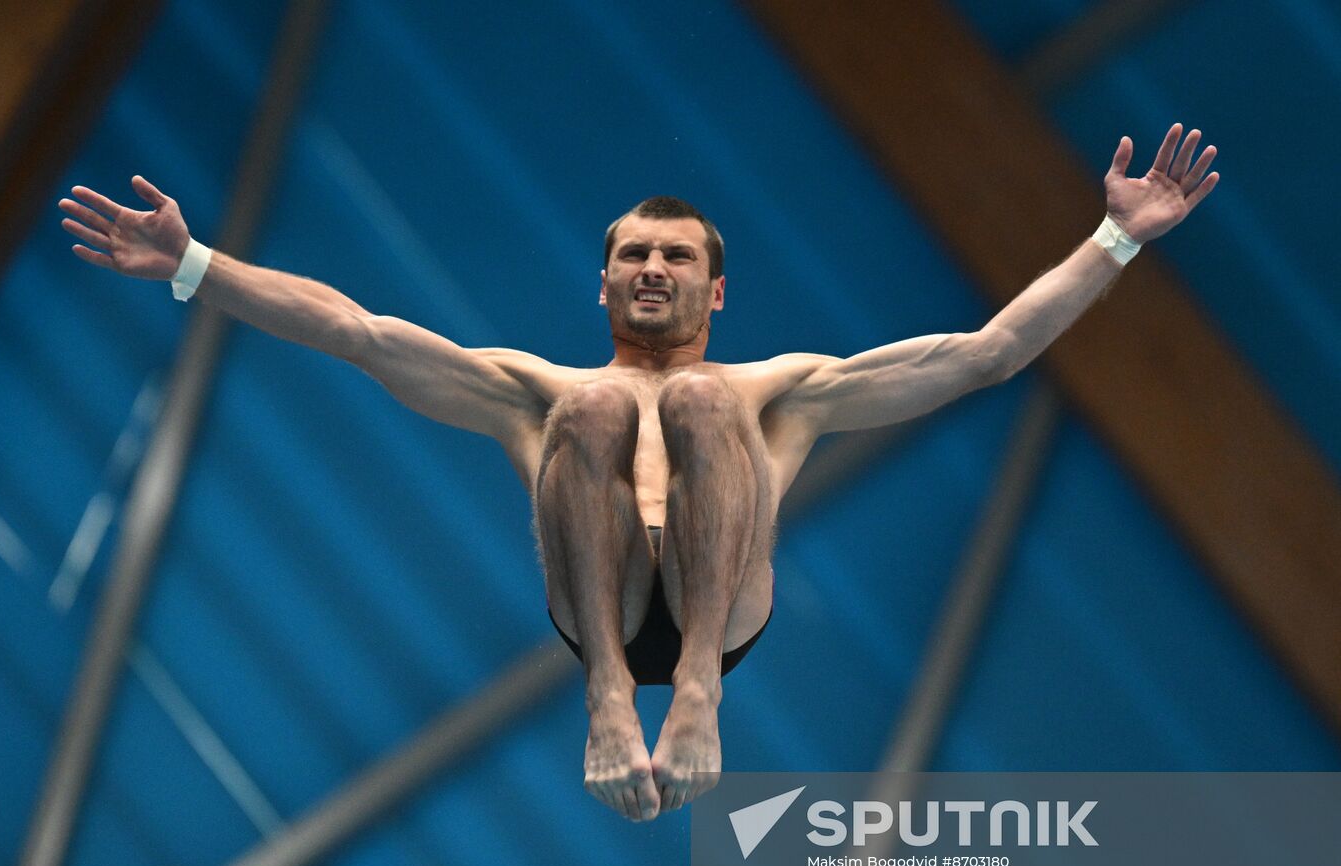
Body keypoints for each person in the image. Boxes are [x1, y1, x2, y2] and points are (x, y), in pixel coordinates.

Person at [59, 124, 1218, 823]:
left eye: (674, 256)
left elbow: (987, 354)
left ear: (717, 291)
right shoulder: (533, 384)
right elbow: (358, 330)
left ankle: (696, 692)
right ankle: (611, 699)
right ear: (601, 284)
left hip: (725, 617)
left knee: (711, 400)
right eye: (629, 255)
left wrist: (1117, 237)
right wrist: (195, 265)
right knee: (595, 401)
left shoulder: (782, 387)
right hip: (598, 608)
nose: (650, 267)